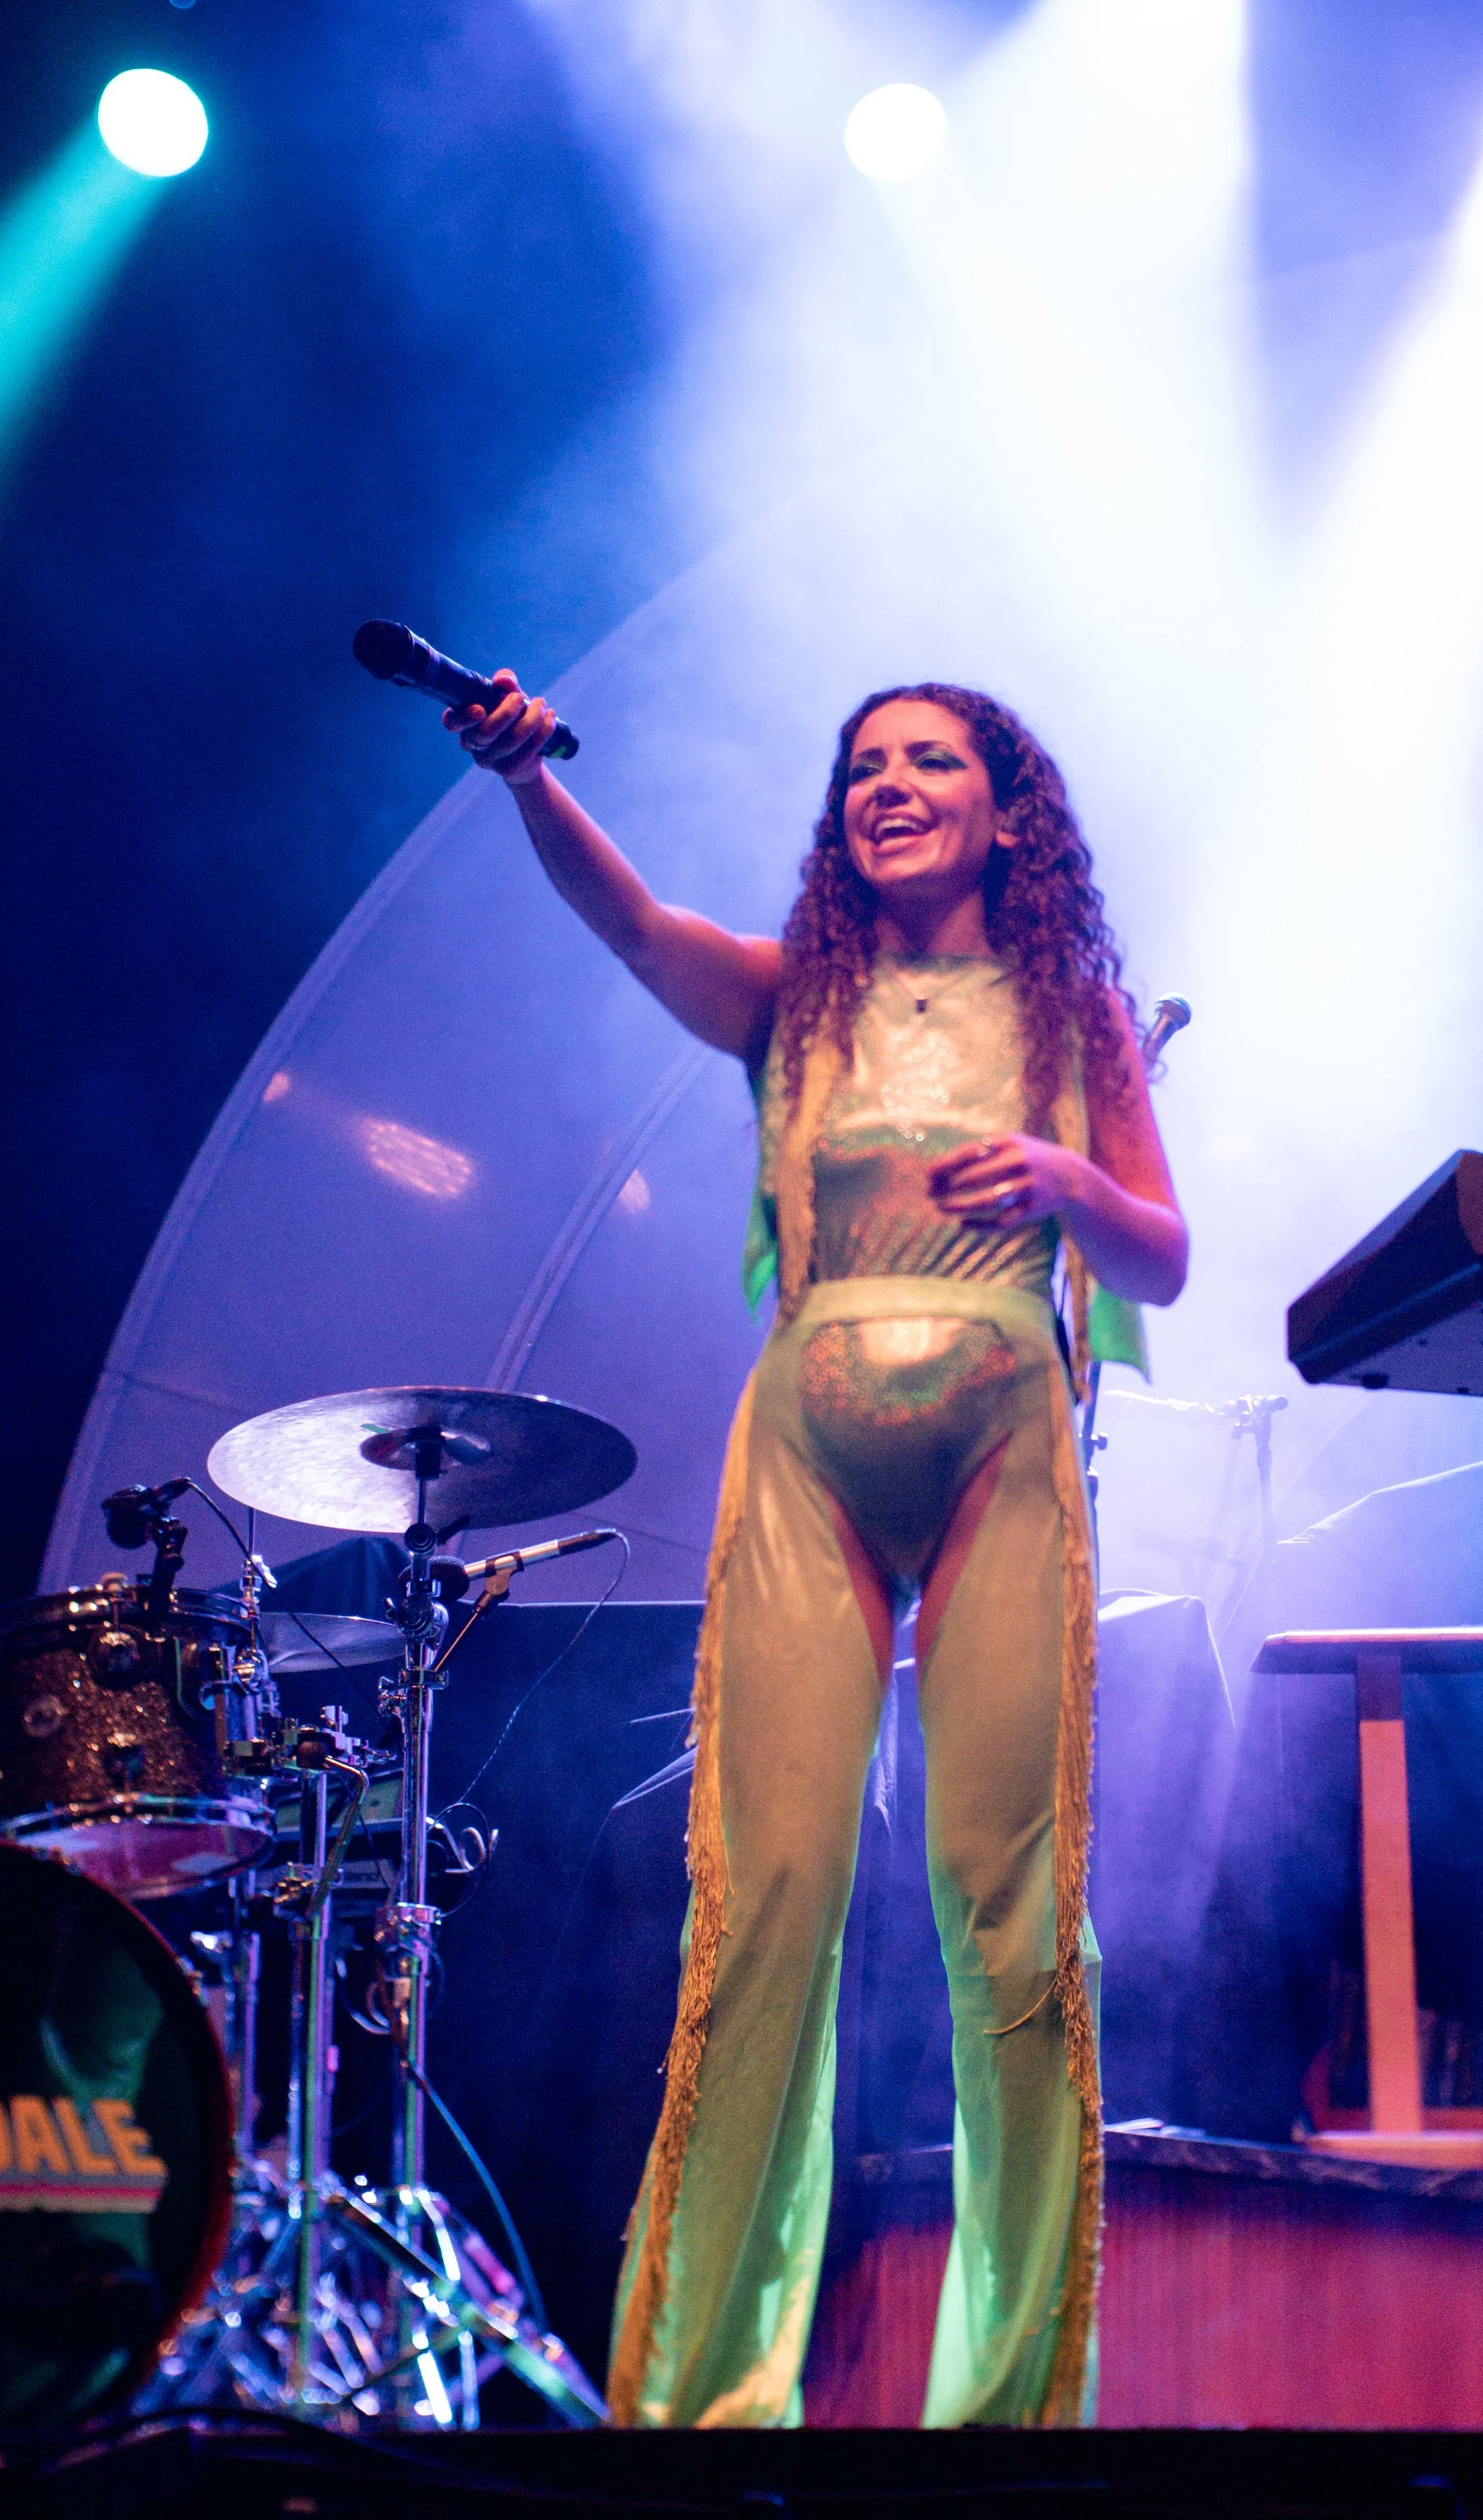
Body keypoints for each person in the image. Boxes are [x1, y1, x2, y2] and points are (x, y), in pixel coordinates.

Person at [443, 669, 1186, 2429]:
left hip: (1005, 1438)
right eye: (862, 762)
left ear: (1009, 811)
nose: (889, 782)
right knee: (766, 1896)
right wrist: (527, 779)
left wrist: (1068, 1184)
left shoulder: (1070, 1008)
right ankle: (701, 2393)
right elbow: (630, 925)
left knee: (1009, 1915)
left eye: (930, 758)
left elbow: (1158, 1258)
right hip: (808, 1452)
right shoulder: (797, 999)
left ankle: (1008, 2406)